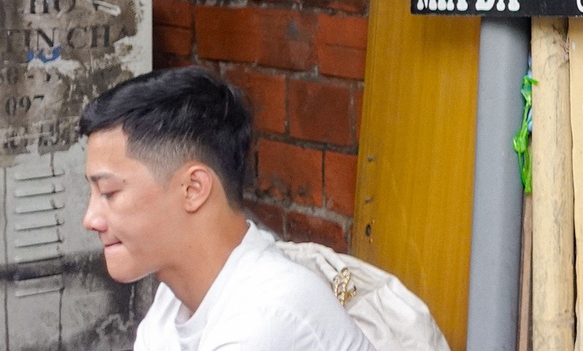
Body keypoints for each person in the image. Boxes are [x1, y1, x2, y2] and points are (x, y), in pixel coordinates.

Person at [80, 66, 371, 351]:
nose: (90, 219)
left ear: (193, 189)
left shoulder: (264, 318)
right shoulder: (175, 299)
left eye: (109, 192)